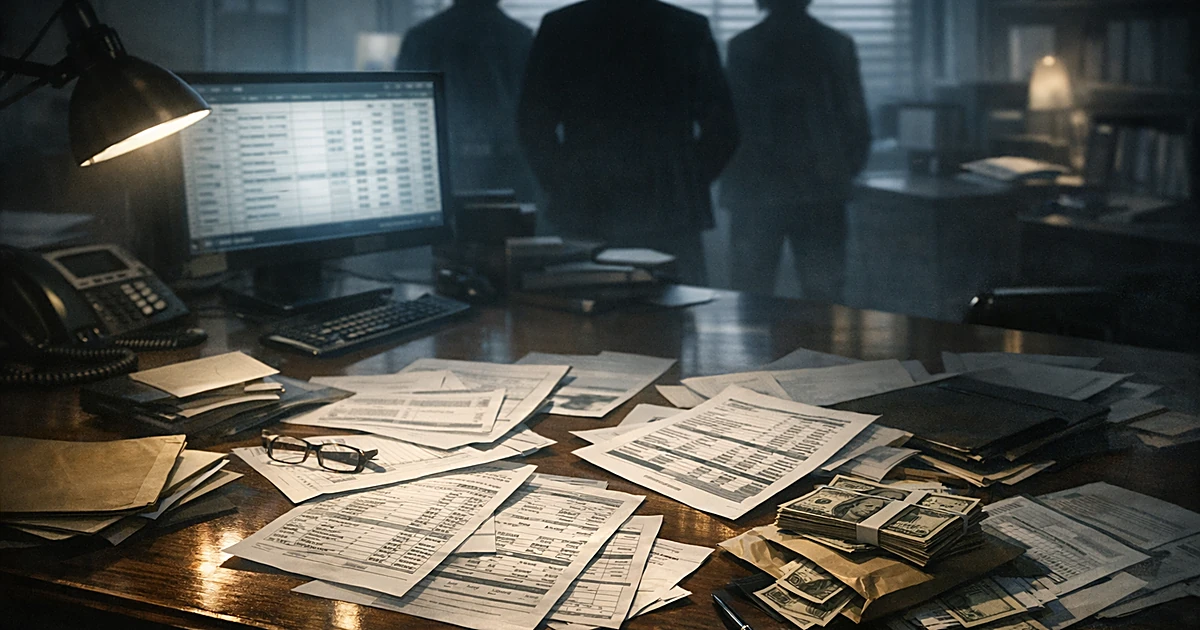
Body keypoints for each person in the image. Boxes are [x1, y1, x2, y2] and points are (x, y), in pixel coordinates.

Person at [516, 0, 739, 285]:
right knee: (678, 315)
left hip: (588, 206)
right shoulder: (687, 28)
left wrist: (565, 185)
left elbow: (533, 126)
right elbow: (724, 129)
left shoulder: (562, 26)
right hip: (670, 211)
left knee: (586, 317)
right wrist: (686, 183)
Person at [721, 0, 871, 301]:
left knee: (753, 292)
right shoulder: (834, 44)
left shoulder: (744, 46)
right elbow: (855, 120)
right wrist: (841, 168)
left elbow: (728, 121)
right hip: (818, 187)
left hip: (758, 189)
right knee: (823, 297)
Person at [396, 0, 535, 197]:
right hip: (507, 167)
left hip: (443, 167)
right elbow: (536, 110)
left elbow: (402, 111)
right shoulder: (519, 38)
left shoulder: (421, 38)